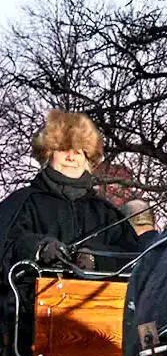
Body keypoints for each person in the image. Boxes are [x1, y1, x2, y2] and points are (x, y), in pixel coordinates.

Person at [0, 110, 142, 275]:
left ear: (87, 159)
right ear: (48, 153)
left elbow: (134, 258)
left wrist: (96, 258)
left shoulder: (107, 214)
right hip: (29, 298)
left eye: (78, 152)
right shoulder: (22, 204)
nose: (71, 158)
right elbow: (6, 244)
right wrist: (38, 248)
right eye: (63, 149)